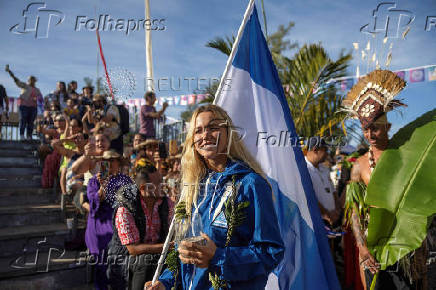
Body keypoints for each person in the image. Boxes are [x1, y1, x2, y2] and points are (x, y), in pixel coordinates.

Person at [145, 104, 284, 290]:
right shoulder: (194, 187)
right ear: (192, 141)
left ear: (228, 134)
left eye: (213, 128)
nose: (205, 136)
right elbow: (185, 251)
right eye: (198, 131)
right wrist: (165, 282)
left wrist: (217, 256)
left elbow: (270, 253)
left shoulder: (251, 184)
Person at [342, 70, 428, 289]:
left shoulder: (406, 157)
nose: (370, 135)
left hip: (405, 242)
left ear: (387, 127)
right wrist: (362, 247)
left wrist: (419, 243)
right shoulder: (358, 166)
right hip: (373, 246)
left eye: (376, 128)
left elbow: (420, 202)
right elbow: (355, 212)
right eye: (366, 129)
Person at [107, 165, 173, 290]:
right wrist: (167, 246)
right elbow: (133, 249)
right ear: (143, 188)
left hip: (157, 253)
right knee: (145, 261)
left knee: (174, 260)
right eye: (158, 183)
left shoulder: (165, 202)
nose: (163, 186)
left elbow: (174, 228)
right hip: (125, 260)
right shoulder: (125, 208)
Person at [85, 148, 132, 290]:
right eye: (105, 161)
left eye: (112, 160)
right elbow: (93, 203)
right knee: (102, 258)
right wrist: (103, 186)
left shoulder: (125, 180)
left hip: (120, 221)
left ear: (118, 162)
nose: (109, 164)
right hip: (100, 222)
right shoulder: (94, 181)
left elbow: (131, 200)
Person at [305, 138, 339, 226]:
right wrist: (326, 214)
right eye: (325, 150)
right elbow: (308, 196)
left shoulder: (324, 168)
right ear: (315, 150)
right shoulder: (303, 169)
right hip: (317, 221)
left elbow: (333, 191)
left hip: (332, 219)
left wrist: (337, 211)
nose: (327, 154)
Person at [5, 65, 41, 140]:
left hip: (33, 107)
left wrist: (37, 99)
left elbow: (40, 98)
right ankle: (22, 135)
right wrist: (9, 72)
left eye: (33, 79)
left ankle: (29, 136)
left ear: (35, 81)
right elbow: (16, 80)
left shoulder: (37, 90)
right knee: (23, 119)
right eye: (30, 79)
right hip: (24, 106)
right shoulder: (24, 86)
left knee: (31, 122)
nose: (31, 81)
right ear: (28, 80)